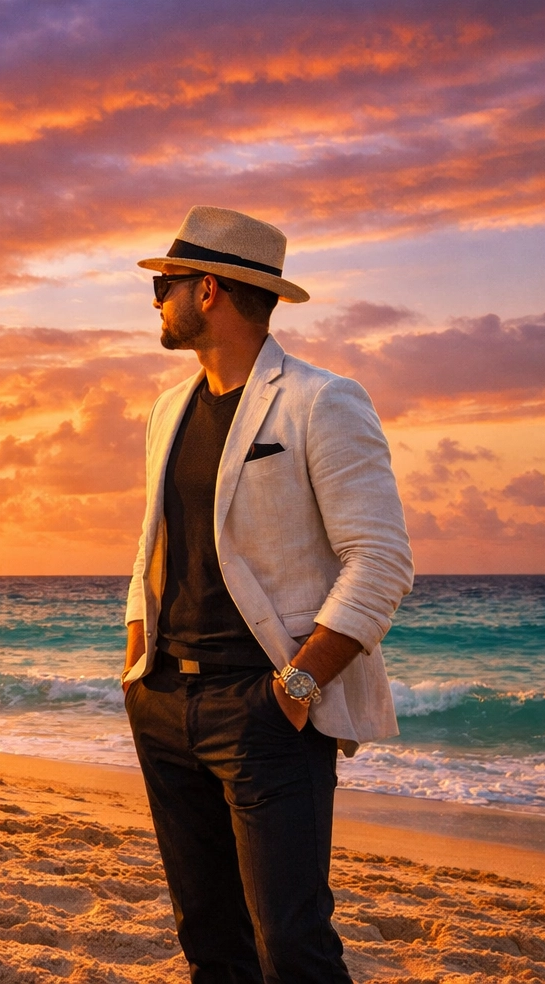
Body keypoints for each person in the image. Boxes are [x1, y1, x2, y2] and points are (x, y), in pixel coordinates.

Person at [121, 206, 413, 983]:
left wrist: (299, 684)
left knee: (291, 944)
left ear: (208, 289)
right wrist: (136, 662)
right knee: (209, 939)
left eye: (166, 285)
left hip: (266, 712)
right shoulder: (167, 411)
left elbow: (381, 559)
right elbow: (155, 542)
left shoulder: (321, 400)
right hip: (165, 704)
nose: (156, 301)